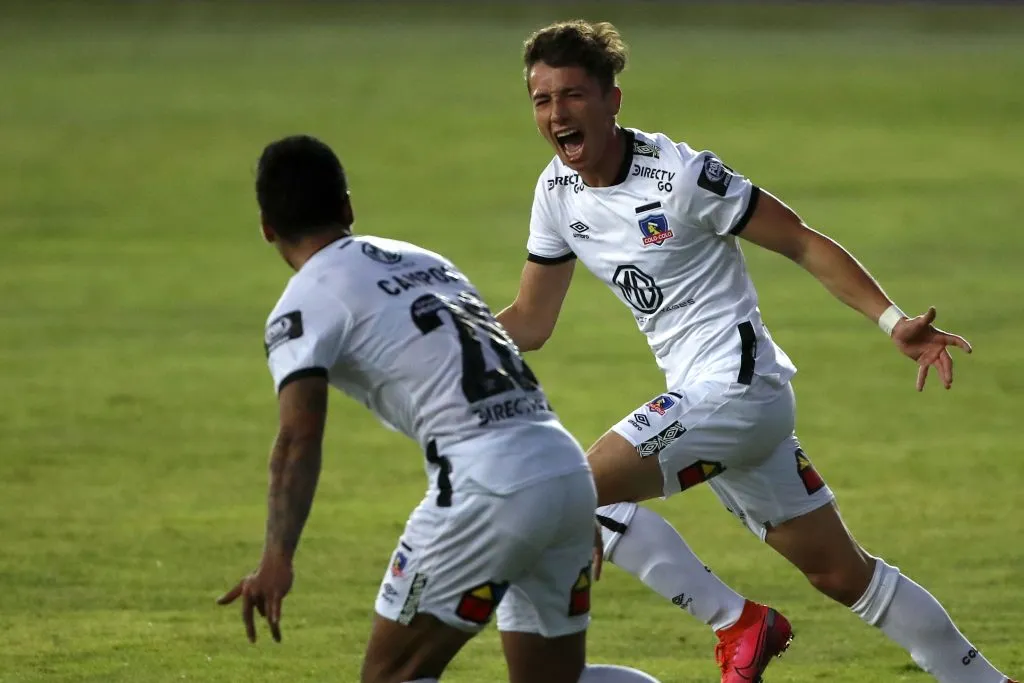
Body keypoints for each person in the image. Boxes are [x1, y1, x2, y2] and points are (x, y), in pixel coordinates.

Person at [496, 19, 1017, 683]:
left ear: (612, 101)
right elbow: (532, 320)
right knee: (841, 573)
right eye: (542, 100)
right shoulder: (556, 193)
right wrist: (453, 337)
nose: (556, 113)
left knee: (572, 483)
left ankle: (739, 622)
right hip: (713, 406)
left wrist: (892, 322)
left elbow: (798, 239)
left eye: (572, 95)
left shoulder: (683, 177)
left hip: (737, 391)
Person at [216, 134, 663, 683]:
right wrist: (558, 497)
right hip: (562, 467)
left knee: (390, 677)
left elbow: (298, 437)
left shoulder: (303, 303)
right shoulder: (426, 262)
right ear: (347, 207)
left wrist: (277, 558)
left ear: (267, 228)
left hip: (486, 486)